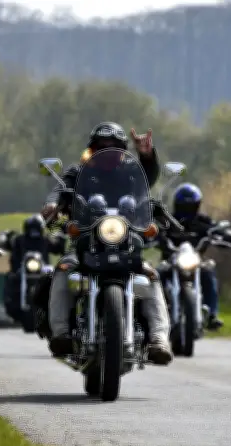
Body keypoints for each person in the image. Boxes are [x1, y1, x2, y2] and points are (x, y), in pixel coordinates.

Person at [39, 122, 173, 365]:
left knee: (151, 275)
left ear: (122, 149)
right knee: (63, 270)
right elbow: (61, 189)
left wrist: (146, 155)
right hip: (86, 241)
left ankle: (158, 340)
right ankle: (61, 333)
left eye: (113, 146)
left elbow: (149, 178)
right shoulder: (79, 171)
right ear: (93, 148)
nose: (107, 150)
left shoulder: (132, 171)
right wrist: (53, 204)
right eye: (102, 146)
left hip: (126, 242)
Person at [157, 183, 231, 330]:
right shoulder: (167, 221)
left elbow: (217, 229)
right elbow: (155, 230)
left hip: (195, 261)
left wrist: (222, 234)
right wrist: (155, 236)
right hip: (170, 261)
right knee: (156, 276)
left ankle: (212, 314)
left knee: (209, 271)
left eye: (190, 206)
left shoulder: (204, 221)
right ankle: (153, 314)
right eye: (184, 206)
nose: (187, 210)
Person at [0, 215, 67, 319]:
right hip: (23, 268)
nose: (34, 233)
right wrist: (6, 238)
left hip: (43, 268)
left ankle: (58, 303)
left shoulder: (45, 240)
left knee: (57, 278)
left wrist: (61, 238)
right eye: (32, 229)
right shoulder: (19, 240)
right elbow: (10, 249)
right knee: (11, 277)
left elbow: (57, 249)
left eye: (36, 229)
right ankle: (11, 302)